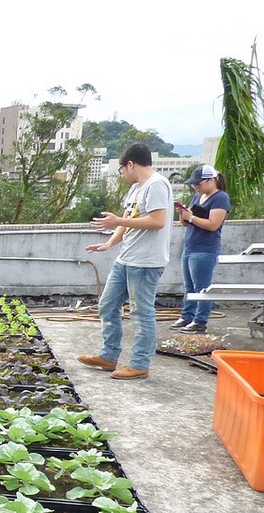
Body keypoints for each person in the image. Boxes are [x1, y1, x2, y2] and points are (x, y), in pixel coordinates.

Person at [78, 144, 172, 380]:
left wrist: (119, 220)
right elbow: (127, 220)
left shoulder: (157, 184)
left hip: (146, 262)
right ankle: (108, 356)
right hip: (126, 258)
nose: (123, 174)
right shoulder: (135, 189)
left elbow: (158, 220)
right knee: (107, 305)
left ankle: (139, 363)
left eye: (122, 169)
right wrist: (110, 243)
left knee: (141, 313)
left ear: (131, 164)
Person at [170, 165, 231, 334]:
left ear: (211, 180)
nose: (196, 186)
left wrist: (192, 217)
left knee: (202, 288)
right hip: (190, 246)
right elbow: (186, 223)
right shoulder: (198, 197)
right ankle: (187, 315)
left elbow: (213, 225)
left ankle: (200, 320)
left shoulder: (220, 198)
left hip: (205, 249)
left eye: (199, 183)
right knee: (189, 286)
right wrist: (183, 215)